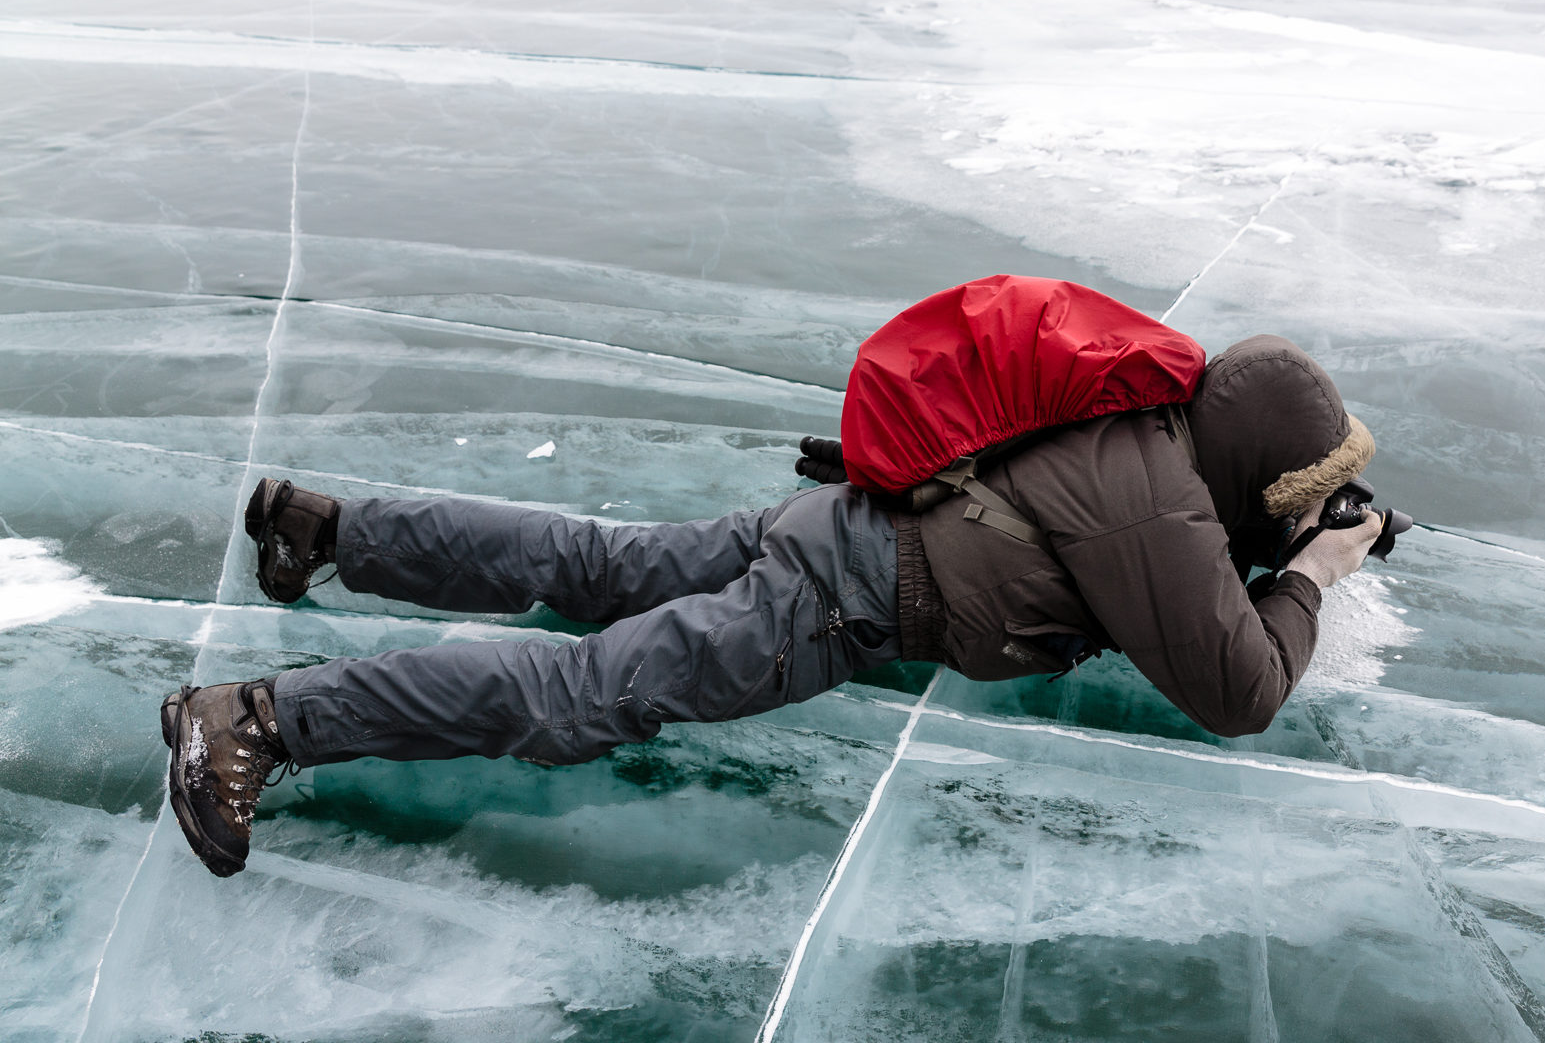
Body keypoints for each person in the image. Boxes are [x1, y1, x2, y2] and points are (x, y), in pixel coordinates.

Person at [160, 334, 1384, 877]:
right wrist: (1312, 574)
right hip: (838, 596)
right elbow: (1241, 690)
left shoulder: (1137, 416)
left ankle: (327, 529)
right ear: (1261, 470)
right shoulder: (1159, 510)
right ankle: (257, 721)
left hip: (829, 525)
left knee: (589, 563)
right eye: (1298, 494)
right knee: (578, 695)